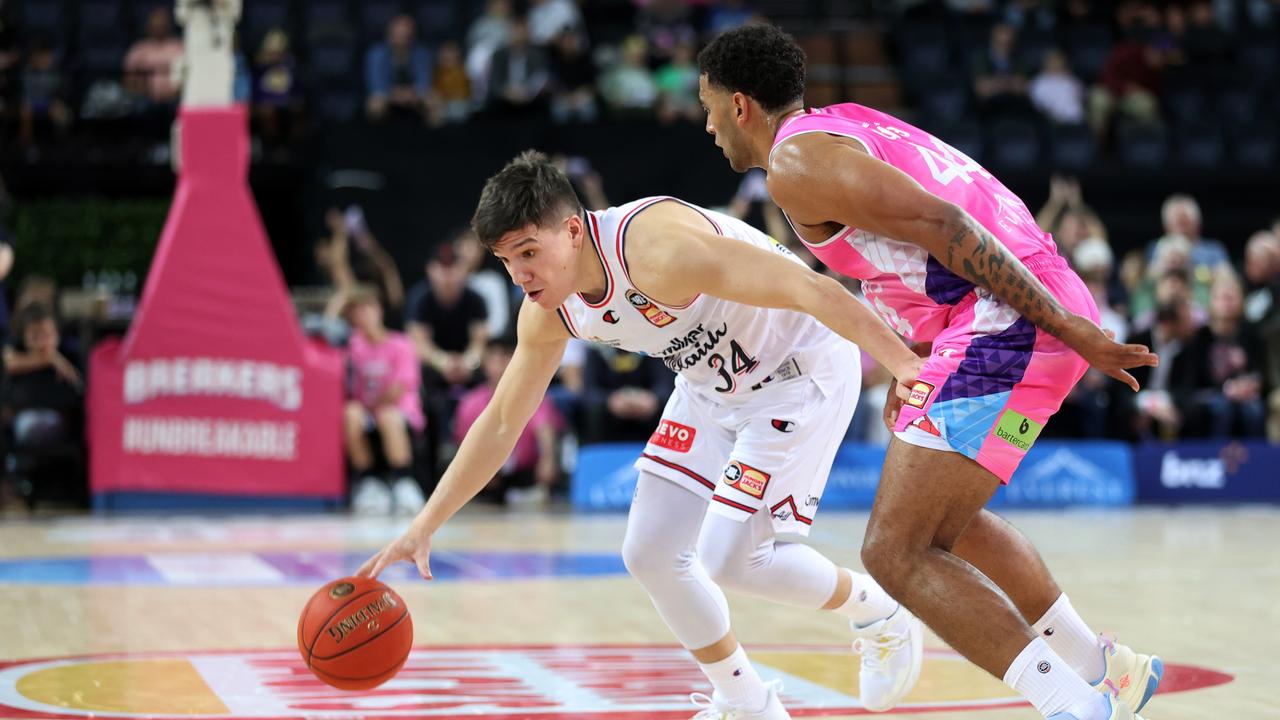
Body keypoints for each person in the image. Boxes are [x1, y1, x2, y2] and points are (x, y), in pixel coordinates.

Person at [696, 23, 1160, 720]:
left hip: (1009, 321)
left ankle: (1074, 705)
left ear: (740, 107)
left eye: (708, 109)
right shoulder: (843, 126)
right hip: (1001, 317)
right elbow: (913, 257)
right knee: (952, 524)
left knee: (894, 550)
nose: (705, 126)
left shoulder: (799, 165)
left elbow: (943, 224)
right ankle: (1106, 670)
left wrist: (1065, 328)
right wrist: (909, 359)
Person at [360, 151, 929, 719]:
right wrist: (425, 524)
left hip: (798, 370)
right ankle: (746, 702)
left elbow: (812, 289)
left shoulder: (655, 250)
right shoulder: (548, 311)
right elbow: (504, 420)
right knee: (651, 553)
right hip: (709, 387)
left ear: (574, 230)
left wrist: (904, 366)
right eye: (507, 261)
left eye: (530, 253)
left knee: (729, 558)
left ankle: (879, 611)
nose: (520, 276)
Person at [343, 291, 426, 516]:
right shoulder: (353, 347)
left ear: (379, 311)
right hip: (367, 411)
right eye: (357, 312)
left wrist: (374, 404)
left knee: (387, 415)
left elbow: (398, 389)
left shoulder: (401, 344)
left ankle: (403, 482)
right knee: (350, 413)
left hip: (400, 413)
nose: (363, 316)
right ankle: (369, 482)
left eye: (367, 309)